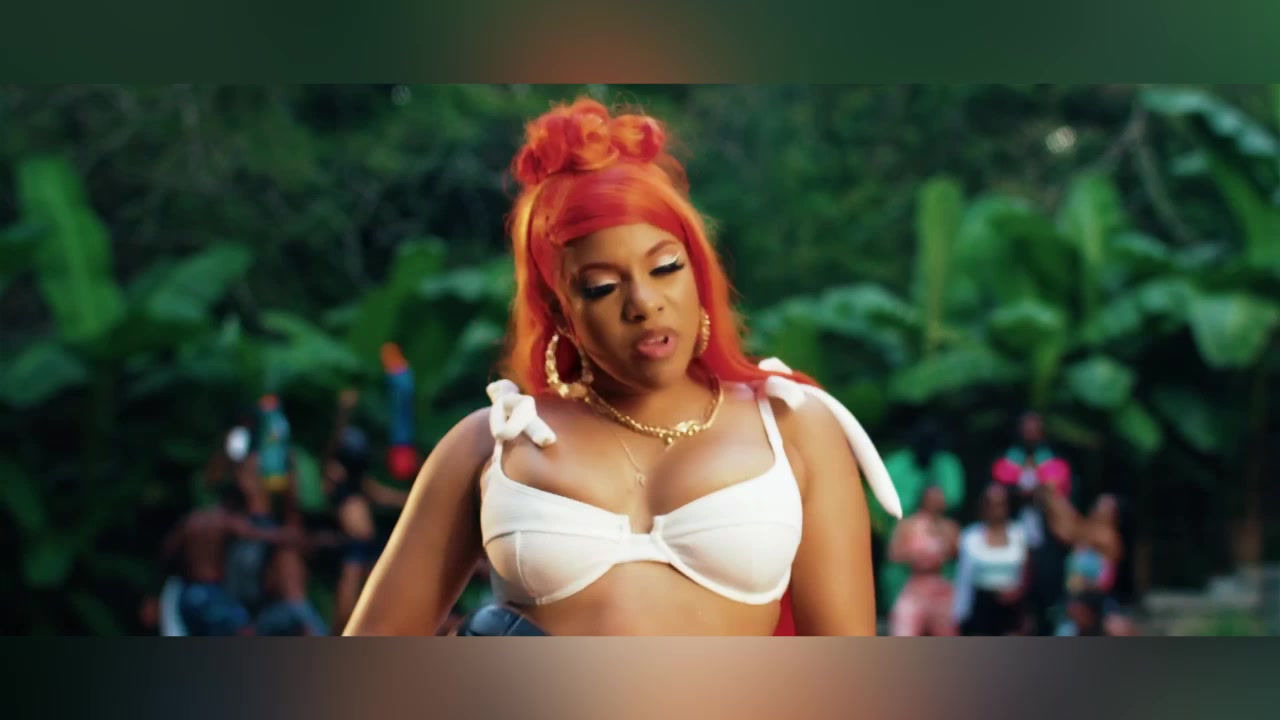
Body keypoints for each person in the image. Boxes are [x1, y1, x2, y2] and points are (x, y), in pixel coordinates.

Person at [345, 98, 901, 637]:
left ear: (698, 272)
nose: (643, 303)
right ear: (561, 312)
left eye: (666, 267)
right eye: (602, 287)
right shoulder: (491, 445)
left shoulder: (794, 428)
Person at [157, 486, 307, 636]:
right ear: (234, 505)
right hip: (211, 593)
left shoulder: (191, 521)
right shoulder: (224, 520)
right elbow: (258, 534)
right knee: (246, 632)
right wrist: (294, 537)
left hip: (186, 594)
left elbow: (167, 553)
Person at [991, 411, 1073, 635]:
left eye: (1035, 429)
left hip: (1047, 539)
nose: (1030, 433)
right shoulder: (1007, 458)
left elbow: (1063, 492)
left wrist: (1041, 491)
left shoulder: (1054, 460)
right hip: (1012, 537)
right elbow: (997, 491)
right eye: (1026, 428)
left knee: (1047, 595)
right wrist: (1019, 492)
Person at [875, 420, 965, 614]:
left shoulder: (947, 464)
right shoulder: (894, 465)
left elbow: (953, 500)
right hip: (902, 556)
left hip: (940, 564)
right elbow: (883, 507)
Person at [953, 484, 1029, 636]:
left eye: (1000, 504)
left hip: (1013, 609)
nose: (996, 509)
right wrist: (958, 614)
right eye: (990, 504)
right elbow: (964, 579)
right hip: (981, 608)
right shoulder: (970, 537)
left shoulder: (1019, 534)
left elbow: (1026, 572)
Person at [887, 485, 960, 636]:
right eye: (932, 499)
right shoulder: (908, 524)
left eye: (939, 499)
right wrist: (917, 555)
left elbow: (958, 553)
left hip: (940, 586)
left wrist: (942, 539)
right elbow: (893, 553)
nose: (935, 503)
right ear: (923, 500)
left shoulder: (949, 526)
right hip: (915, 586)